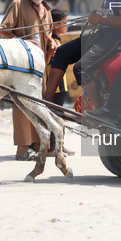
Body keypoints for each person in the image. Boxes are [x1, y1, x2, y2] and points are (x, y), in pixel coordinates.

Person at [0, 0, 57, 161]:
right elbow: (4, 31)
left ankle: (40, 146)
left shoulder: (47, 10)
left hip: (40, 65)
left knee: (39, 104)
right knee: (23, 105)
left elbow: (45, 34)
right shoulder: (18, 4)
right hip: (21, 66)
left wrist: (51, 42)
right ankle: (22, 149)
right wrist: (23, 43)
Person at [45, 8, 75, 156]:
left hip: (61, 85)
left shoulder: (57, 40)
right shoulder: (50, 42)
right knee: (54, 116)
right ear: (55, 24)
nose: (67, 26)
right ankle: (52, 148)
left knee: (60, 116)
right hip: (54, 86)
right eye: (64, 23)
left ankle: (60, 145)